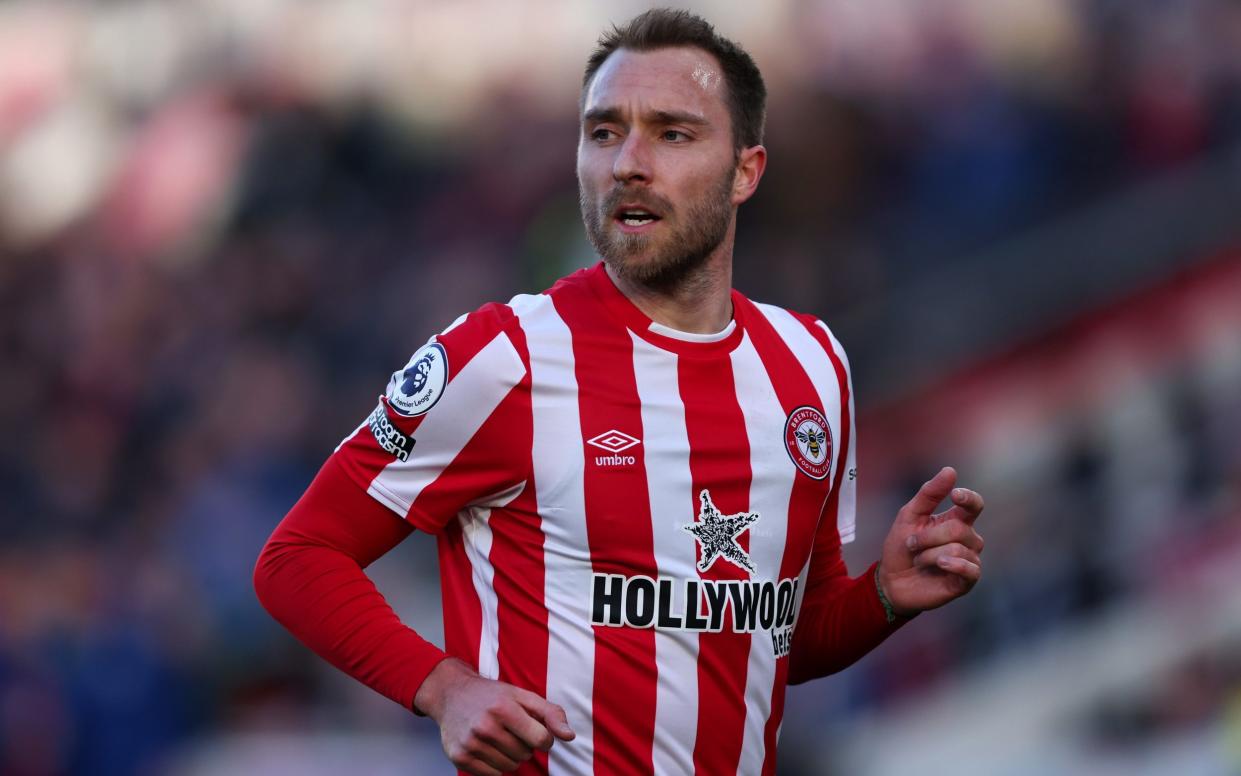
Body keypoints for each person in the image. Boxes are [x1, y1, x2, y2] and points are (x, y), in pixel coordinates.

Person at [253, 8, 986, 775]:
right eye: (604, 132)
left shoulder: (811, 364)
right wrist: (444, 686)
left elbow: (776, 644)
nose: (628, 162)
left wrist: (884, 597)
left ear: (745, 170)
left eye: (672, 133)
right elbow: (298, 555)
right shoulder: (506, 357)